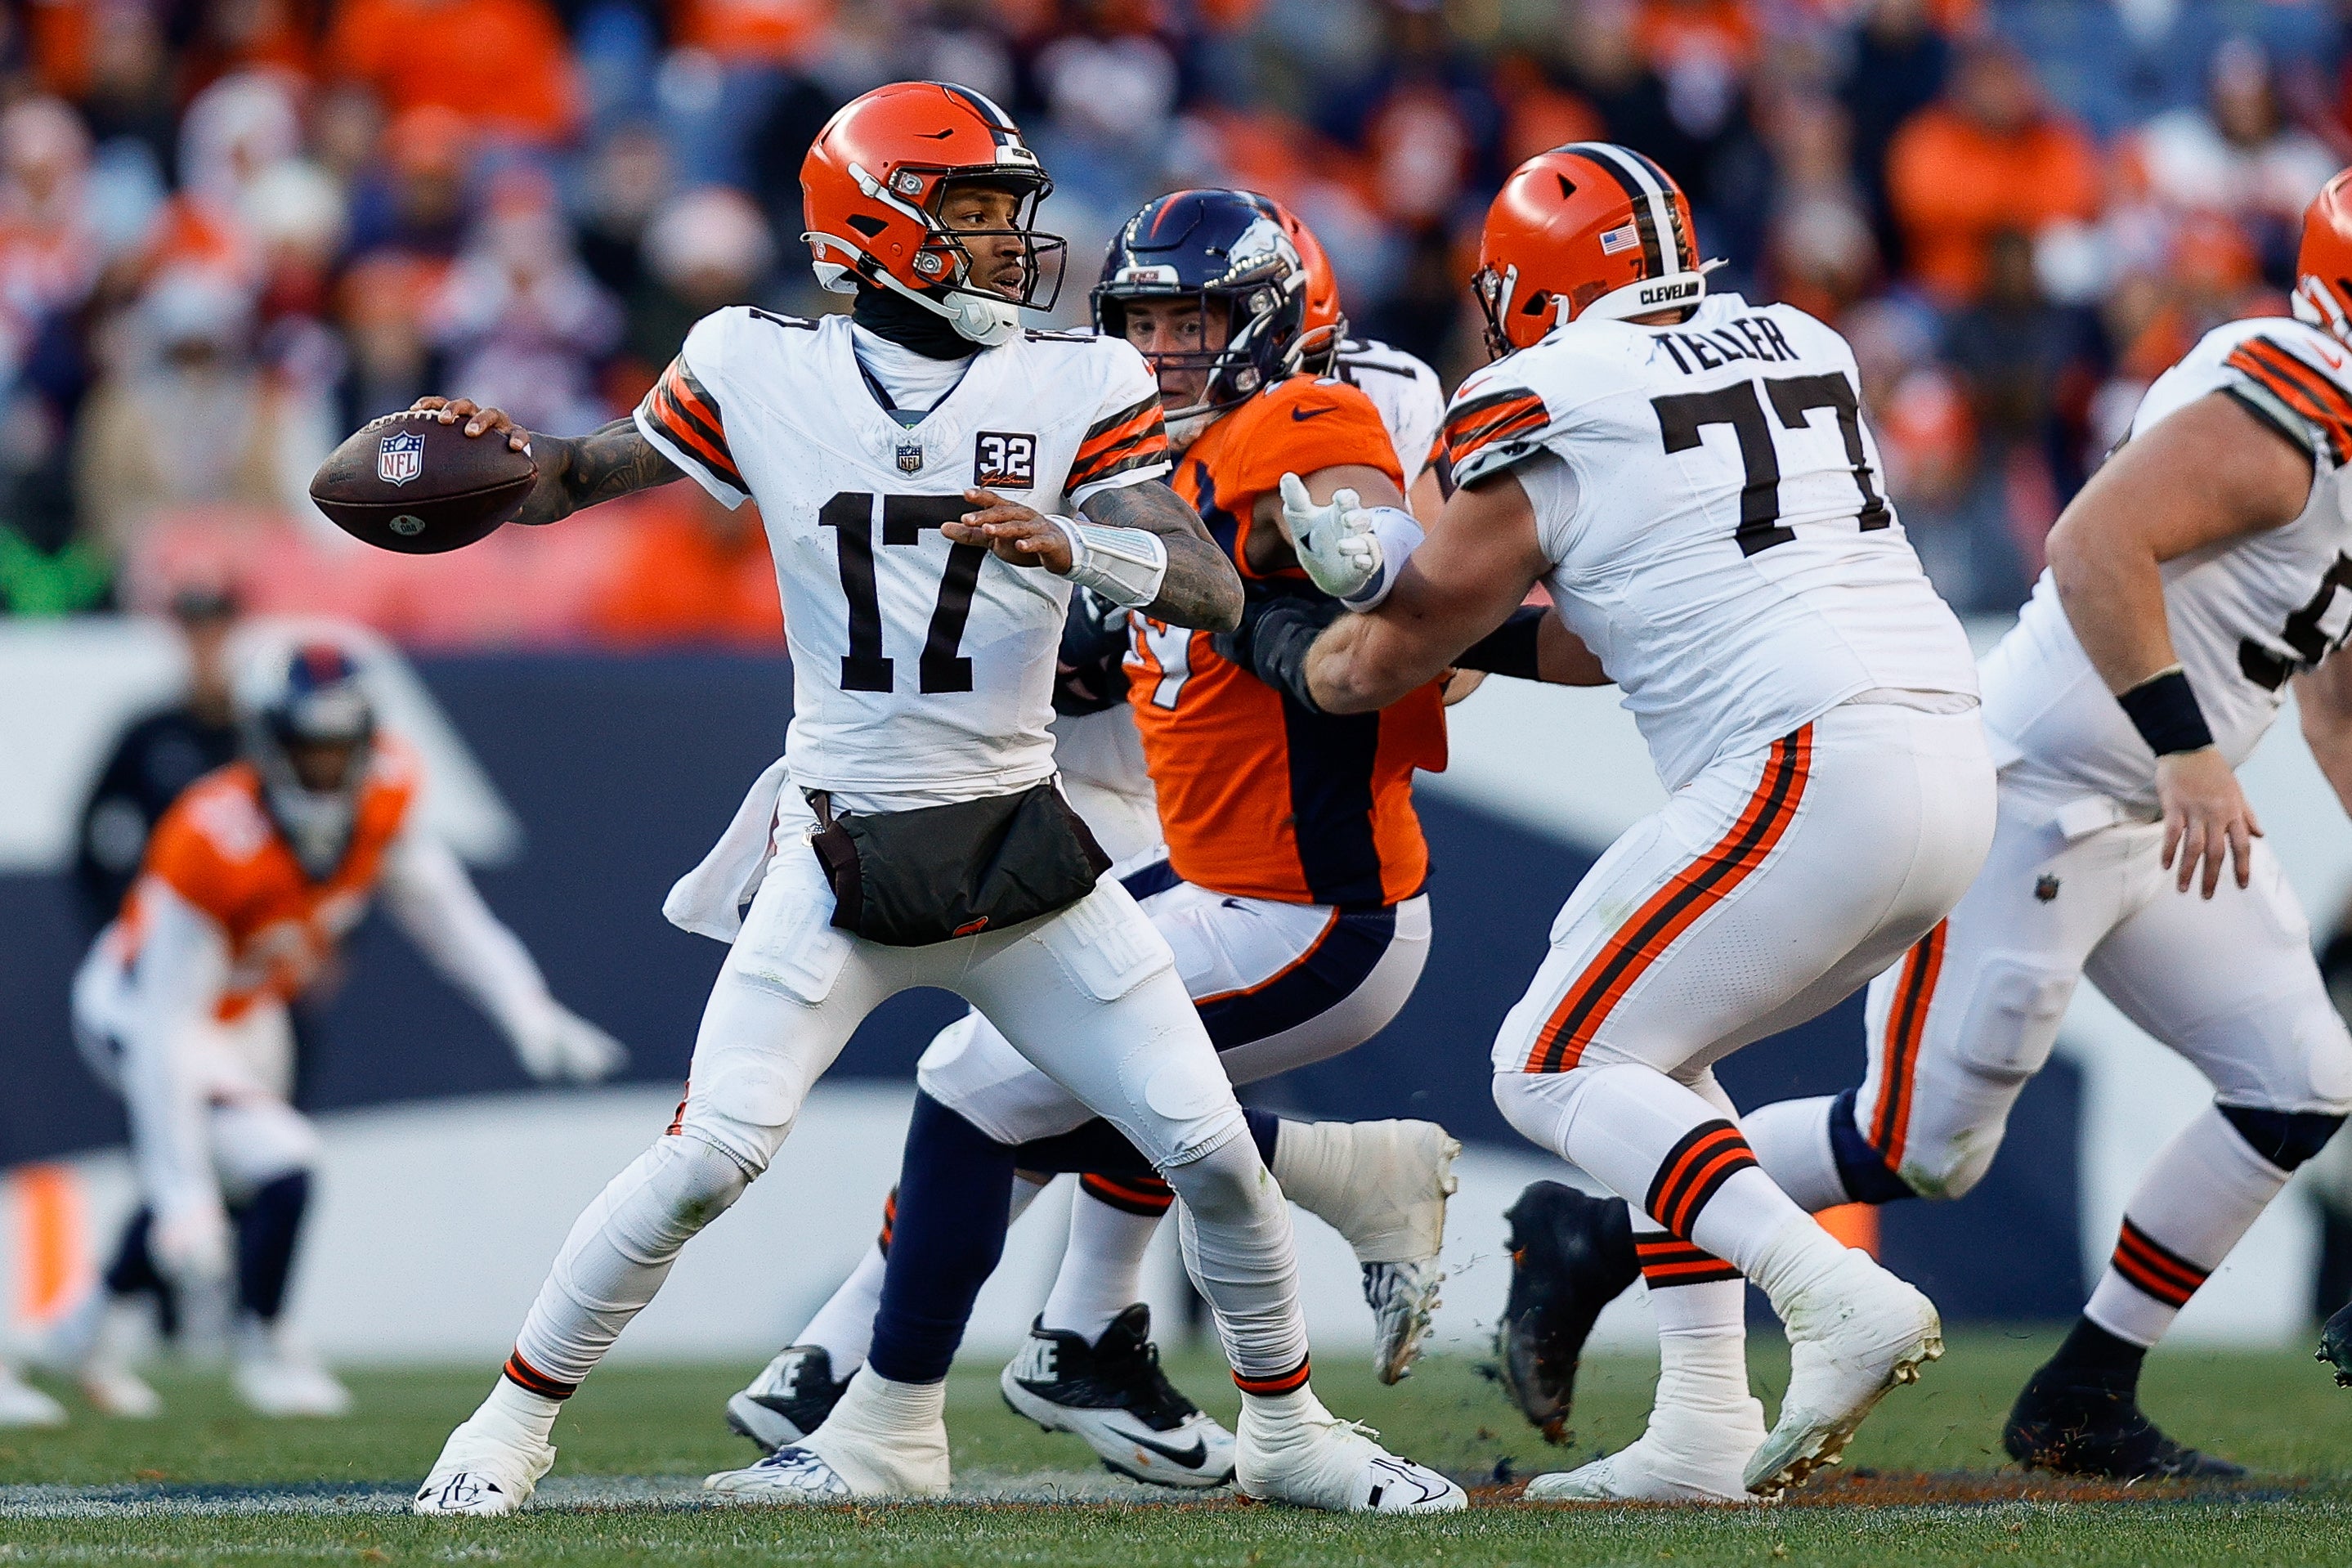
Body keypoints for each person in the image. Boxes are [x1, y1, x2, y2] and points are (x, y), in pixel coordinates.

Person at [407, 84, 1463, 1516]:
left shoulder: (1073, 385)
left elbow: (1211, 591)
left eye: (1006, 214)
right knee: (705, 1162)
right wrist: (494, 457)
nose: (1008, 244)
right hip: (842, 841)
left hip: (1021, 843)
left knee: (1205, 1146)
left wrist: (1081, 550)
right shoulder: (756, 364)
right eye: (971, 214)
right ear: (878, 227)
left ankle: (1287, 1433)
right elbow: (585, 474)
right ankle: (504, 1427)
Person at [1497, 166, 2352, 1483]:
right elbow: (2090, 542)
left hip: (2164, 806)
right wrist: (2187, 746)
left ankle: (2084, 1391)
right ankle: (1598, 1232)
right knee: (1919, 1147)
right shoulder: (2287, 406)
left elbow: (2338, 704)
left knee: (2299, 1078)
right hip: (2045, 779)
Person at [715, 189, 1476, 1492]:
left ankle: (904, 1410)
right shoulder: (1159, 441)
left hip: (1316, 907)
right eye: (1144, 320)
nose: (1166, 348)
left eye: (1194, 320)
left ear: (1271, 320)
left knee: (990, 1086)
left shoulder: (1304, 414)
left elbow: (1367, 550)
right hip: (1225, 873)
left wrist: (1351, 588)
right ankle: (1088, 1344)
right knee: (1049, 1083)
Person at [1274, 141, 1992, 1502]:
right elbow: (1600, 639)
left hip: (1811, 755)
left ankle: (1827, 1288)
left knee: (1544, 1062)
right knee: (1652, 1058)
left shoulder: (1545, 390)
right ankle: (1701, 1424)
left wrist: (1293, 632)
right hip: (1944, 751)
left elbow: (1382, 659)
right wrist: (1411, 601)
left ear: (1535, 291)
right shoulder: (1798, 334)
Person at [60, 637, 625, 1420]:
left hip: (245, 1009)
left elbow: (450, 920)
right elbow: (166, 1030)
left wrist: (526, 1007)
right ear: (267, 743)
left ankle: (79, 1331)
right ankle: (265, 1345)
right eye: (307, 747)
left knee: (238, 1168)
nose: (326, 767)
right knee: (277, 1161)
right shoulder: (210, 837)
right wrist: (182, 1192)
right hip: (138, 1007)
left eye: (339, 747)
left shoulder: (385, 795)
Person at [75, 585, 244, 931]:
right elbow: (96, 826)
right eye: (196, 632)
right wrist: (117, 912)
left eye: (215, 631)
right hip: (168, 915)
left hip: (245, 919)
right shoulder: (150, 735)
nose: (206, 646)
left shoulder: (260, 734)